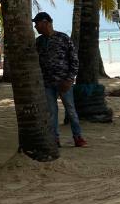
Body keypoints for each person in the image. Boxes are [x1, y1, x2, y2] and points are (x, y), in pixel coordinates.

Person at [33, 12, 87, 148]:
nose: (35, 27)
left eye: (37, 23)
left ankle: (78, 137)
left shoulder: (63, 38)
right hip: (47, 83)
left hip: (64, 82)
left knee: (71, 110)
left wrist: (69, 79)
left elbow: (74, 60)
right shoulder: (38, 42)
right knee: (51, 112)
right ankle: (54, 139)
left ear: (46, 23)